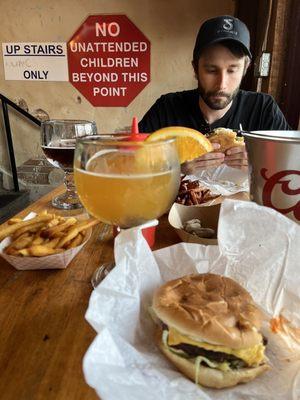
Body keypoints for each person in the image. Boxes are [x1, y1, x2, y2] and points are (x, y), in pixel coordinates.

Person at [139, 15, 290, 173]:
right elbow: (133, 164)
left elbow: (291, 164)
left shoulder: (263, 109)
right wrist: (175, 170)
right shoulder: (166, 108)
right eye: (211, 70)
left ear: (245, 68)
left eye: (232, 70)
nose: (221, 84)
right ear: (195, 68)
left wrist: (261, 162)